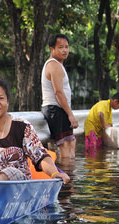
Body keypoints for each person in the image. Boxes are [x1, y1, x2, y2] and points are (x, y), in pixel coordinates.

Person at [41, 33, 78, 161]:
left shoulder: (58, 65)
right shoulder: (54, 65)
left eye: (67, 47)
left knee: (70, 143)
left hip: (59, 109)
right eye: (61, 47)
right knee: (65, 146)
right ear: (52, 49)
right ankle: (67, 177)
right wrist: (70, 114)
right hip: (55, 109)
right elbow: (58, 92)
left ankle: (69, 174)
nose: (65, 50)